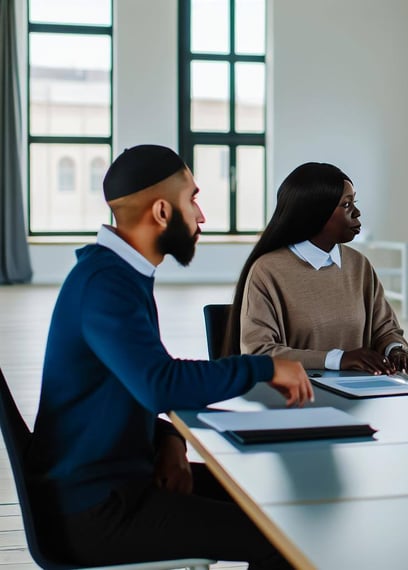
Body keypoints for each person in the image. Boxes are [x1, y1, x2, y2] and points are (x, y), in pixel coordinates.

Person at [27, 145, 312, 569]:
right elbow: (160, 384)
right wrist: (265, 365)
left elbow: (130, 390)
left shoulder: (118, 274)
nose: (201, 216)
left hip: (117, 483)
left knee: (265, 499)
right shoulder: (106, 284)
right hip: (94, 511)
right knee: (282, 536)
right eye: (193, 199)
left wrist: (170, 440)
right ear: (161, 212)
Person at [226, 162, 408, 375]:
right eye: (347, 205)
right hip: (297, 396)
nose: (357, 212)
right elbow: (259, 352)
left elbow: (386, 329)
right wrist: (338, 359)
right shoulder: (267, 271)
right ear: (316, 212)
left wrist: (396, 349)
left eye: (355, 202)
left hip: (359, 394)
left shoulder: (359, 264)